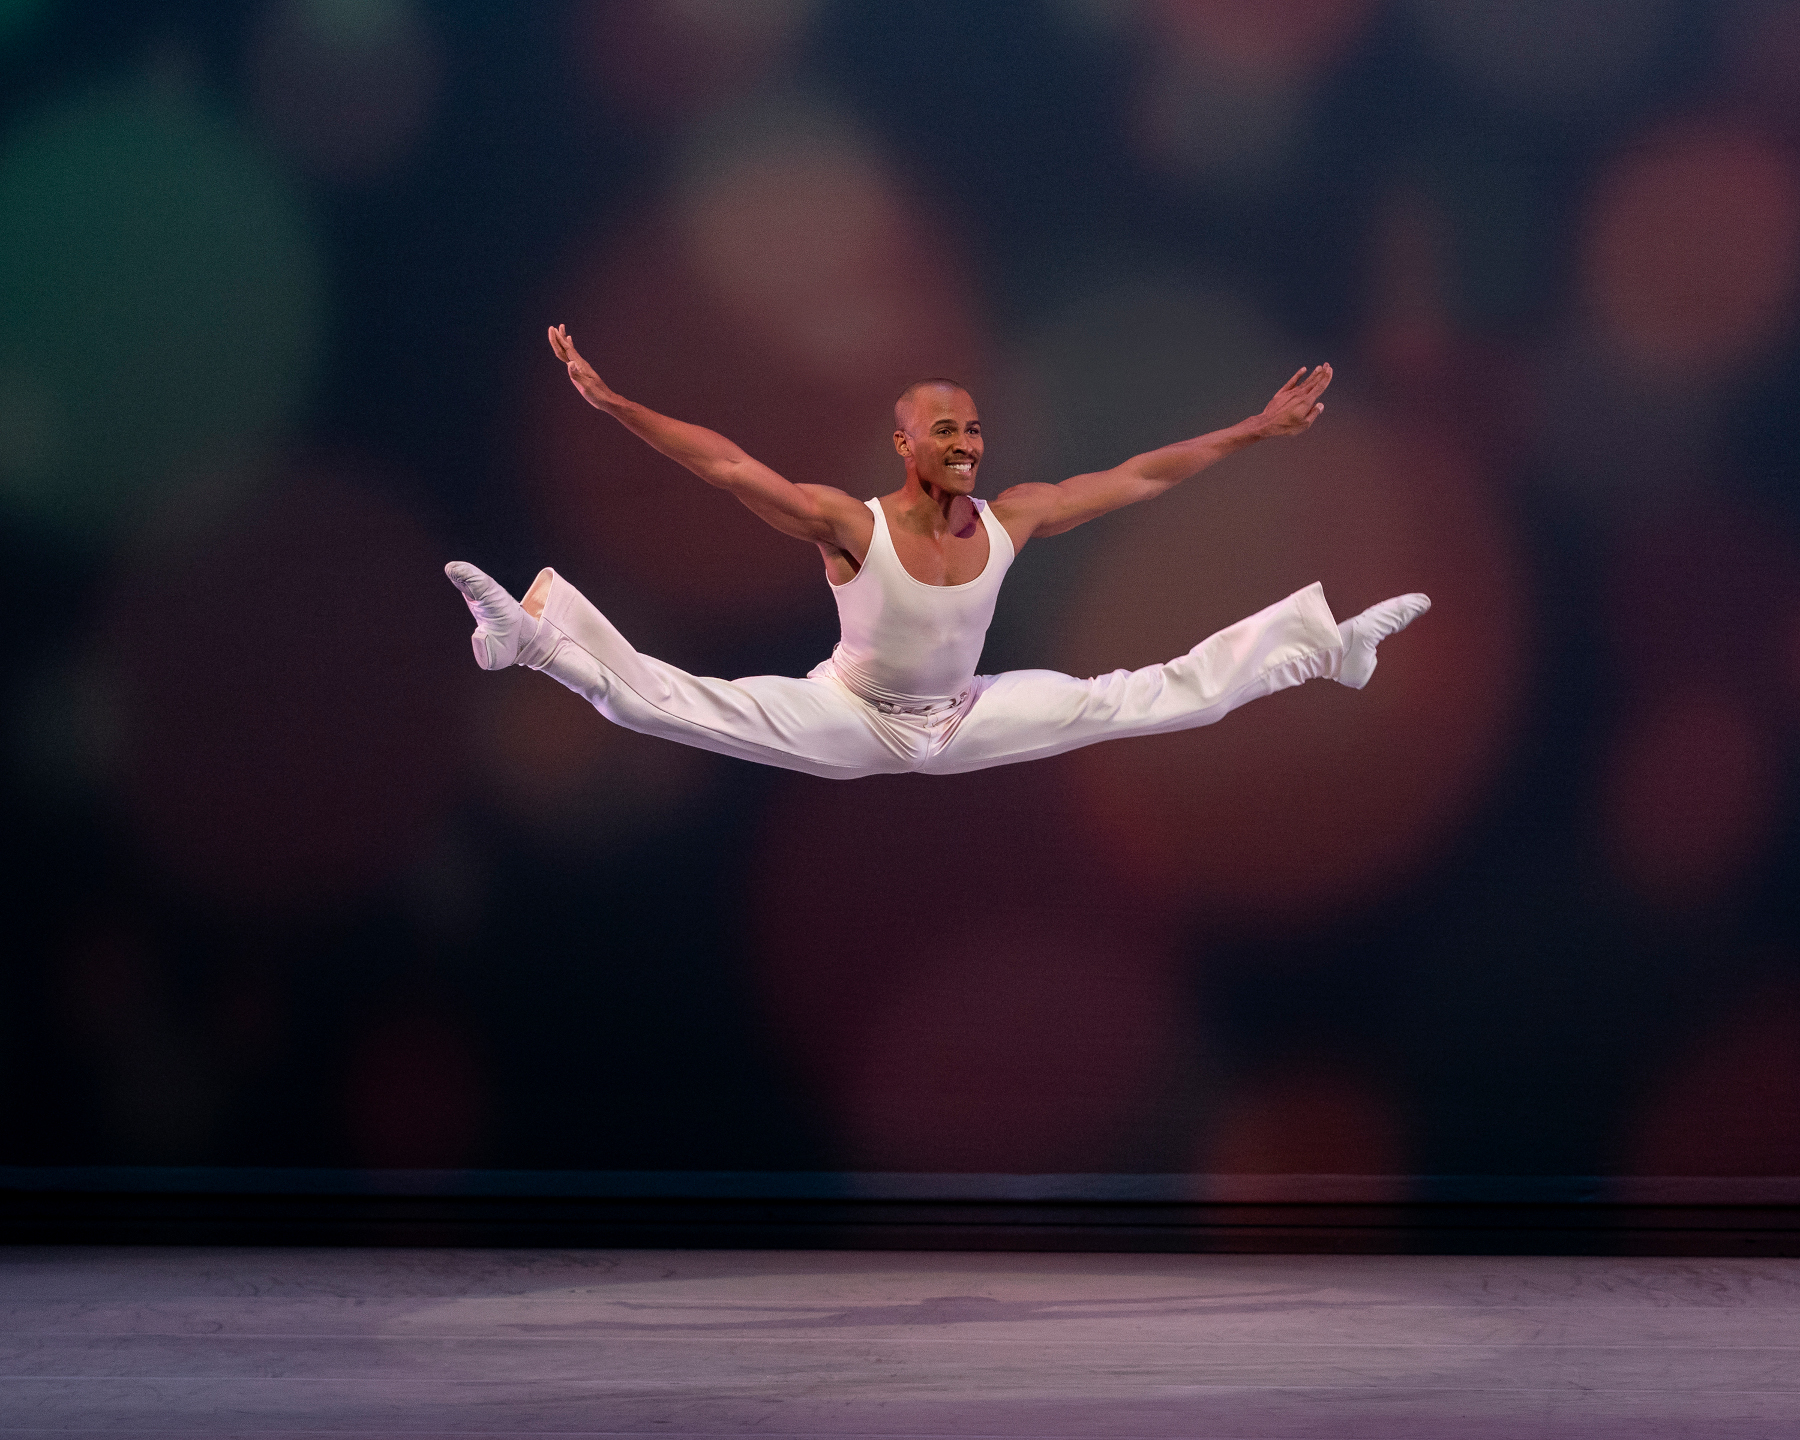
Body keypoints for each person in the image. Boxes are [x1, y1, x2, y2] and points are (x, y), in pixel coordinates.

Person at [445, 326, 1429, 780]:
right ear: (905, 445)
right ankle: (531, 640)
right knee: (658, 703)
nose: (965, 443)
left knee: (1164, 695)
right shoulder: (851, 524)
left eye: (974, 431)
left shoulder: (1018, 514)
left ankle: (1325, 648)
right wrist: (616, 406)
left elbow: (1138, 477)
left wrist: (1253, 432)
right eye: (944, 432)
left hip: (965, 716)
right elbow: (729, 468)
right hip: (851, 715)